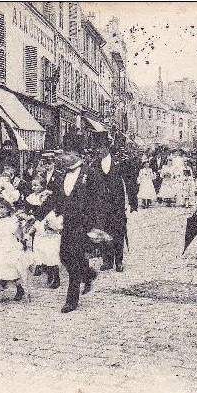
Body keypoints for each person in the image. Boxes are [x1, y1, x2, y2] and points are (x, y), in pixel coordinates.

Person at [53, 151, 105, 313]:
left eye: (65, 154)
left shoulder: (90, 173)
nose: (61, 158)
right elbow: (56, 198)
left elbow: (98, 201)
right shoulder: (61, 175)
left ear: (75, 156)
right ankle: (88, 274)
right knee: (64, 256)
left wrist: (97, 226)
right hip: (68, 222)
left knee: (74, 258)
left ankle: (71, 300)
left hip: (84, 223)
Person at [88, 132, 137, 272]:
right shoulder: (94, 164)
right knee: (104, 231)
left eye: (102, 147)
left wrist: (132, 202)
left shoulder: (119, 162)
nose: (99, 150)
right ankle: (107, 260)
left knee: (118, 231)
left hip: (117, 204)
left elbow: (129, 182)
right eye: (97, 147)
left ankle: (119, 261)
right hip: (101, 204)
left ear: (108, 147)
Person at [25, 176, 62, 289]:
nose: (44, 200)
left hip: (51, 238)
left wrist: (52, 227)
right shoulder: (39, 213)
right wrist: (28, 233)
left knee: (51, 256)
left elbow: (59, 226)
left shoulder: (53, 213)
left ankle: (56, 278)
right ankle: (49, 274)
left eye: (46, 198)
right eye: (42, 198)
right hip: (40, 236)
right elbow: (36, 224)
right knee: (41, 256)